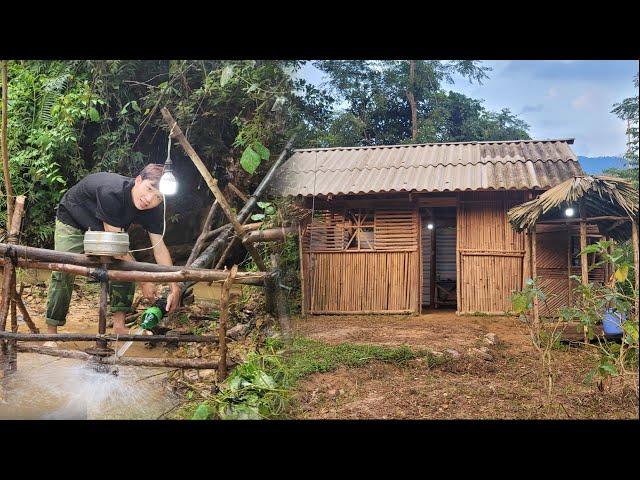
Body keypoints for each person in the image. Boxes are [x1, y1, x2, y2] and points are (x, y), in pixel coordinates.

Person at [44, 164, 181, 345]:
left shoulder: (154, 209)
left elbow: (159, 247)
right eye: (149, 188)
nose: (149, 199)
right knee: (64, 270)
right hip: (74, 219)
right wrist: (145, 281)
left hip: (107, 227)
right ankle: (51, 332)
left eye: (158, 197)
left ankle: (119, 325)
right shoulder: (112, 192)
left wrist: (174, 287)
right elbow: (118, 250)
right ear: (138, 180)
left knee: (122, 269)